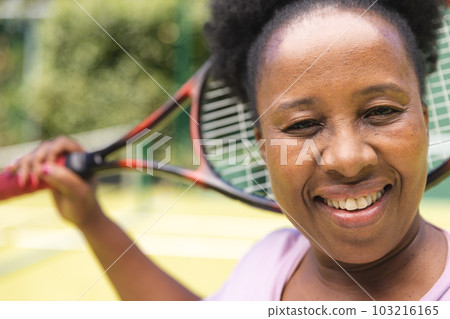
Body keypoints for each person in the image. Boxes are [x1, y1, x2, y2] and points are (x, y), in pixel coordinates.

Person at [7, 0, 449, 300]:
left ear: (426, 123)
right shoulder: (271, 262)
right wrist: (92, 221)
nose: (349, 158)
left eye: (381, 112)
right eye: (302, 125)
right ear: (262, 150)